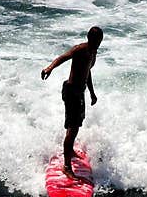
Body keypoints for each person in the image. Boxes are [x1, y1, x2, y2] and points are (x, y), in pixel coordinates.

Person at [41, 26, 103, 178]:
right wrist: (49, 68)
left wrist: (92, 93)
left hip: (80, 93)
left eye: (99, 41)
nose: (97, 44)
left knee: (76, 125)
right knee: (73, 127)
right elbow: (62, 58)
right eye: (95, 41)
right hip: (71, 92)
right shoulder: (80, 49)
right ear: (89, 38)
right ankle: (67, 166)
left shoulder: (93, 53)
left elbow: (87, 71)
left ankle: (70, 151)